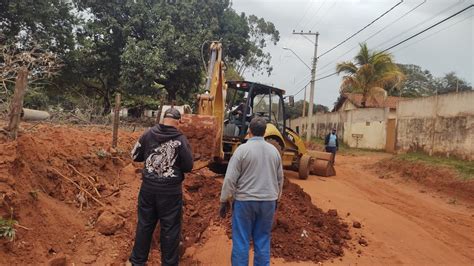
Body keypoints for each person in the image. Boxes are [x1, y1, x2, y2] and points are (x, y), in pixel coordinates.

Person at [129, 108, 193, 266]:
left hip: (148, 189)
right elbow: (188, 166)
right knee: (170, 229)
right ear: (178, 122)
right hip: (170, 193)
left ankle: (137, 262)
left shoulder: (148, 134)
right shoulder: (181, 140)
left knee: (144, 224)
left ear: (163, 119)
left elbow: (134, 155)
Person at [219, 117, 284, 266]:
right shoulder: (274, 151)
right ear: (265, 132)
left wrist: (224, 200)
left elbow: (230, 179)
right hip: (268, 202)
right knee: (262, 239)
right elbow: (280, 179)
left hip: (244, 202)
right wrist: (277, 200)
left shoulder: (242, 150)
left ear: (249, 131)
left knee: (241, 240)